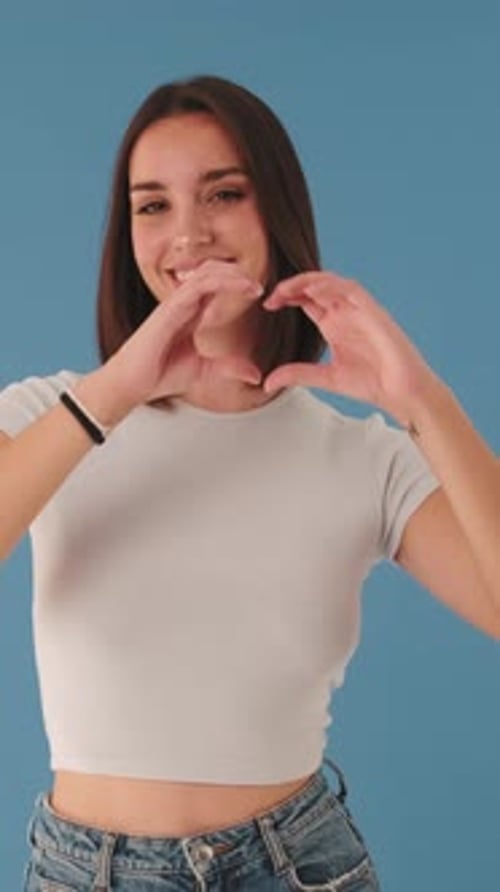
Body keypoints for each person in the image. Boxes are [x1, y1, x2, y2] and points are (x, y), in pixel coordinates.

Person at [1, 75, 498, 892]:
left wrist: (426, 405)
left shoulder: (362, 457)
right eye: (152, 205)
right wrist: (114, 394)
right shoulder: (46, 418)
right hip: (84, 872)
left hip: (297, 867)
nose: (187, 234)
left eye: (223, 194)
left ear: (277, 209)